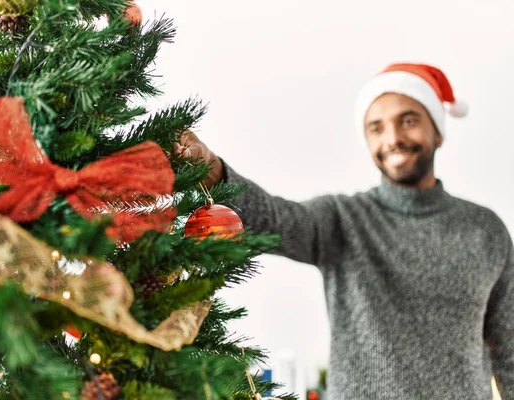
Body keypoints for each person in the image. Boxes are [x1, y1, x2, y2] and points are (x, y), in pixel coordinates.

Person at [174, 63, 514, 399]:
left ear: (437, 130)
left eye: (408, 120)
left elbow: (509, 346)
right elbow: (275, 219)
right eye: (376, 128)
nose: (393, 138)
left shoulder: (485, 230)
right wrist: (214, 170)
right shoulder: (342, 218)